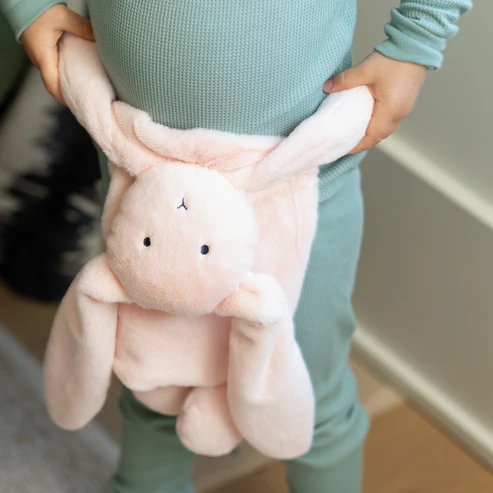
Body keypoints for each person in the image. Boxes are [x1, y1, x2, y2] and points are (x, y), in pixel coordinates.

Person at [0, 1, 472, 492]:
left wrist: (416, 42)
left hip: (298, 182)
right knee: (152, 379)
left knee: (311, 400)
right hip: (143, 176)